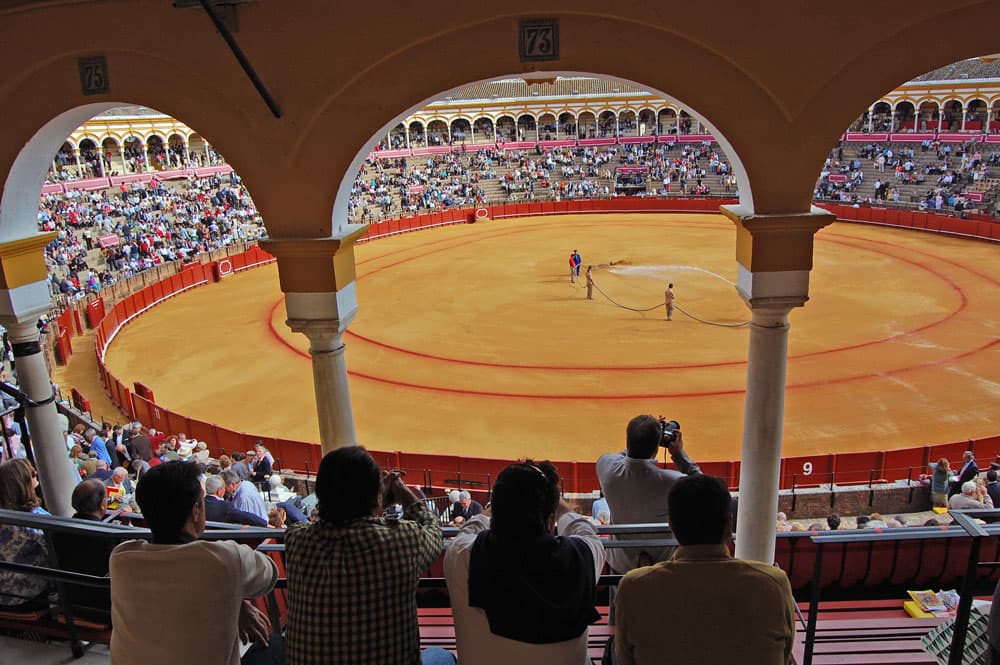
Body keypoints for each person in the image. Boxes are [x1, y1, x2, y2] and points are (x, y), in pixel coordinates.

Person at [283, 446, 447, 665]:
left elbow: (334, 520)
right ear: (376, 497)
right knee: (443, 656)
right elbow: (433, 528)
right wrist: (399, 491)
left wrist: (375, 502)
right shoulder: (403, 538)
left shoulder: (296, 540)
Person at [614, 474, 796, 665]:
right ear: (729, 526)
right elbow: (784, 656)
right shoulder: (773, 583)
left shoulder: (634, 587)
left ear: (672, 526)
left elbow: (626, 659)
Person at [109, 461, 278, 665]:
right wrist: (235, 598)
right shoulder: (225, 559)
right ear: (196, 509)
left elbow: (170, 591)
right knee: (276, 645)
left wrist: (234, 599)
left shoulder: (121, 557)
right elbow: (270, 574)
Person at [445, 461, 605, 664]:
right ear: (550, 520)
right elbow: (585, 532)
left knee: (440, 655)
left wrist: (499, 504)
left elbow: (468, 531)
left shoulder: (462, 555)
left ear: (496, 511)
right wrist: (558, 504)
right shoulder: (581, 557)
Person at [597, 415, 701, 573]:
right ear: (656, 447)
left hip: (621, 564)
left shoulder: (606, 467)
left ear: (628, 441)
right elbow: (706, 488)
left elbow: (620, 457)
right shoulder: (674, 482)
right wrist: (678, 454)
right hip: (664, 566)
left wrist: (644, 437)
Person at [0, 459, 51, 610]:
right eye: (33, 473)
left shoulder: (5, 514)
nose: (36, 474)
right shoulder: (36, 519)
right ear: (23, 482)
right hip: (28, 598)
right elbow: (56, 554)